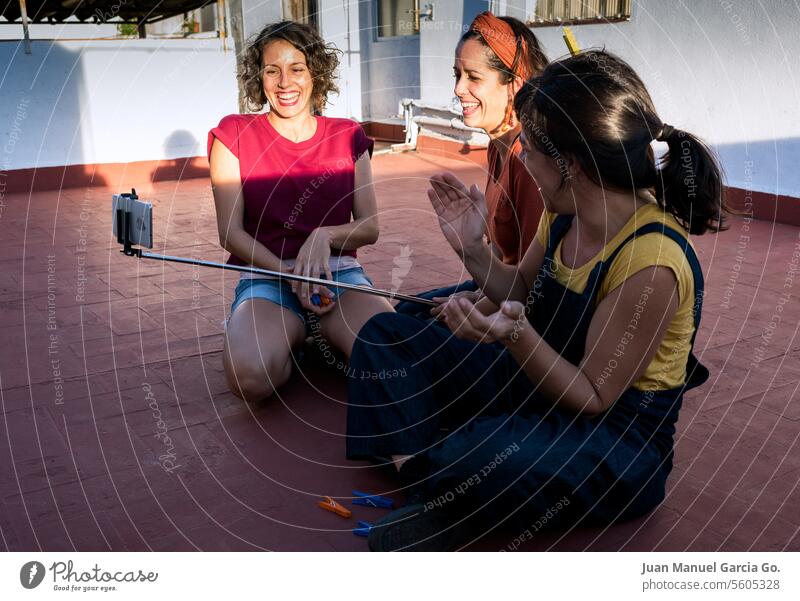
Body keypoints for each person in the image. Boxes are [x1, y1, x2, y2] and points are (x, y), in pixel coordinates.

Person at [347, 50, 728, 551]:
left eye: (529, 149)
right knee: (390, 333)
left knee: (491, 454)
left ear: (570, 166)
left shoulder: (651, 259)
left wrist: (513, 334)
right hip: (538, 382)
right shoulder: (567, 210)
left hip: (610, 435)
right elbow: (523, 291)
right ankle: (432, 479)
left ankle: (444, 477)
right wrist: (473, 250)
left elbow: (592, 396)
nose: (521, 158)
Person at [208, 21, 393, 402]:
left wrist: (323, 236)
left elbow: (370, 226)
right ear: (258, 77)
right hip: (268, 278)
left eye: (297, 69)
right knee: (250, 380)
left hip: (339, 278)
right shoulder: (234, 134)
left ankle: (317, 331)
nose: (284, 83)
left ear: (316, 73)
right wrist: (294, 276)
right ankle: (286, 334)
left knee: (394, 359)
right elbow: (230, 234)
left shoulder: (347, 134)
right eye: (271, 70)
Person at [393, 11, 547, 318]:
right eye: (457, 75)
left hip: (520, 314)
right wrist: (475, 293)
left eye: (473, 77)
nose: (458, 89)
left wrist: (474, 306)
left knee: (392, 329)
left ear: (514, 85)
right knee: (406, 310)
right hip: (498, 289)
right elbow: (502, 253)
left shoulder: (528, 161)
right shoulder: (496, 147)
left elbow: (531, 287)